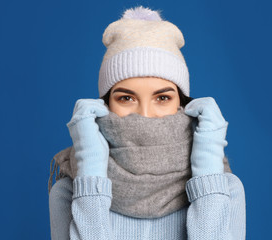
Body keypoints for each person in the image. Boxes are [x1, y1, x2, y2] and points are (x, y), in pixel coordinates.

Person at [48, 5, 246, 240]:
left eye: (162, 98)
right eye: (126, 98)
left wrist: (207, 178)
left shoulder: (226, 188)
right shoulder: (70, 190)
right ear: (105, 105)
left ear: (181, 104)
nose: (144, 114)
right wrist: (90, 172)